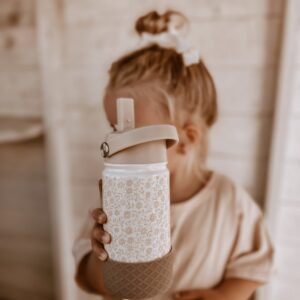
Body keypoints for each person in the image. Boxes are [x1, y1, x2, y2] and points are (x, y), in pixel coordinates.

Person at [72, 10, 274, 300]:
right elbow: (91, 282)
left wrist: (225, 296)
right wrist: (101, 256)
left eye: (135, 135)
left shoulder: (229, 202)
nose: (117, 142)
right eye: (114, 130)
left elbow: (254, 267)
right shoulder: (116, 202)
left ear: (186, 140)